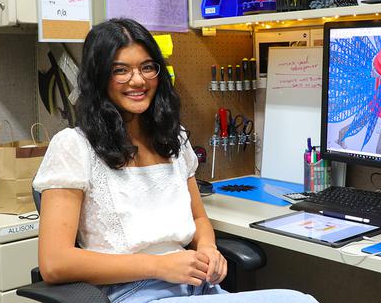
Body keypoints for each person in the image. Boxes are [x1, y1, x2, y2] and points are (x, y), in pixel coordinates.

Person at [33, 18, 318, 303]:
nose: (138, 80)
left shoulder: (172, 139)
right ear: (99, 78)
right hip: (131, 293)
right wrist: (160, 266)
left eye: (147, 67)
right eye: (120, 70)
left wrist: (208, 248)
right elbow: (55, 263)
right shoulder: (74, 146)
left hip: (196, 286)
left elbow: (198, 218)